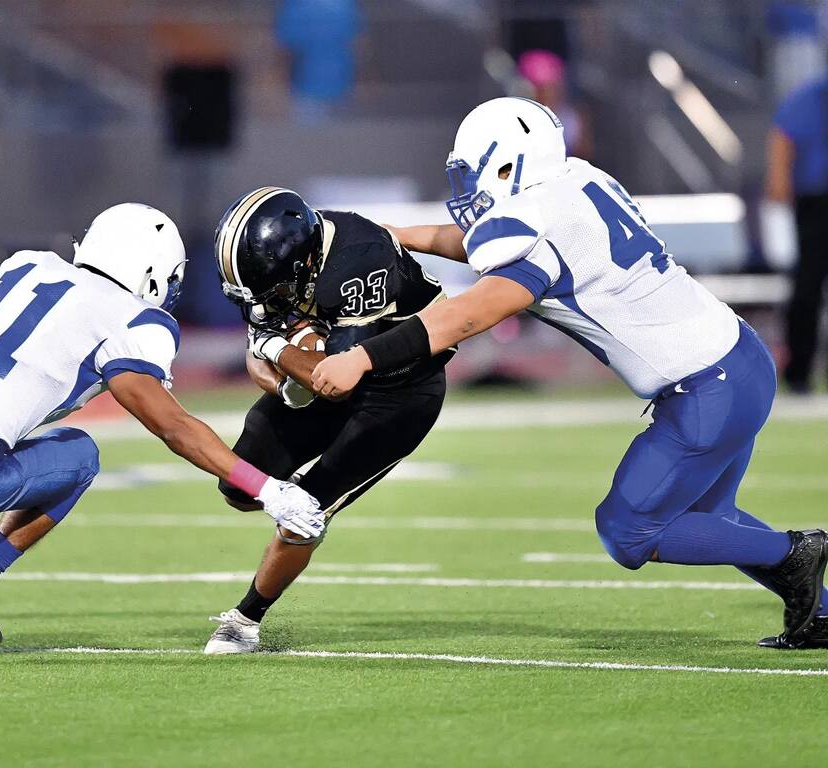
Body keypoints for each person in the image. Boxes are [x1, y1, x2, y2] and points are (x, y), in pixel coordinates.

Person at [312, 97, 828, 650]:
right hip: (736, 361)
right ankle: (821, 612)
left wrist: (361, 357)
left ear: (512, 164)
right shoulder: (574, 182)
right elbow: (487, 244)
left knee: (628, 531)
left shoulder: (536, 227)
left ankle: (795, 550)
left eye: (476, 172)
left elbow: (464, 316)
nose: (467, 189)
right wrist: (399, 234)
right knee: (707, 516)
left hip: (706, 390)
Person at [0, 203, 324, 648]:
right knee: (80, 455)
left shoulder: (26, 264)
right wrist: (265, 487)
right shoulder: (137, 319)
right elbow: (168, 422)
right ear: (152, 273)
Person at [203, 187, 452, 654]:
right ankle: (301, 489)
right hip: (333, 371)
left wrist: (277, 348)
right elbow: (262, 357)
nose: (265, 299)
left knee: (304, 514)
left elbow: (333, 377)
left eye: (273, 287)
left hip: (399, 393)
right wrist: (278, 376)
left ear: (304, 264)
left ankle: (245, 620)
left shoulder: (358, 261)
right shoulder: (289, 260)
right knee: (240, 486)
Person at [766, 74, 828, 394]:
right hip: (816, 202)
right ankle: (799, 372)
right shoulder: (811, 96)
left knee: (808, 285)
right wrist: (779, 186)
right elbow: (782, 138)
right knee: (808, 285)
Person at [517, 50, 592, 160]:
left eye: (551, 87)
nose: (546, 93)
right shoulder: (516, 119)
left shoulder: (574, 118)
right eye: (540, 88)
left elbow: (585, 155)